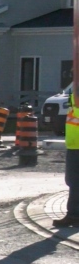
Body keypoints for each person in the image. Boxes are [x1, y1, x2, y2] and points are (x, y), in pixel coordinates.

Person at [53, 91, 79, 227]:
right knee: (74, 181)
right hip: (75, 143)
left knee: (74, 181)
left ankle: (74, 215)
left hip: (77, 145)